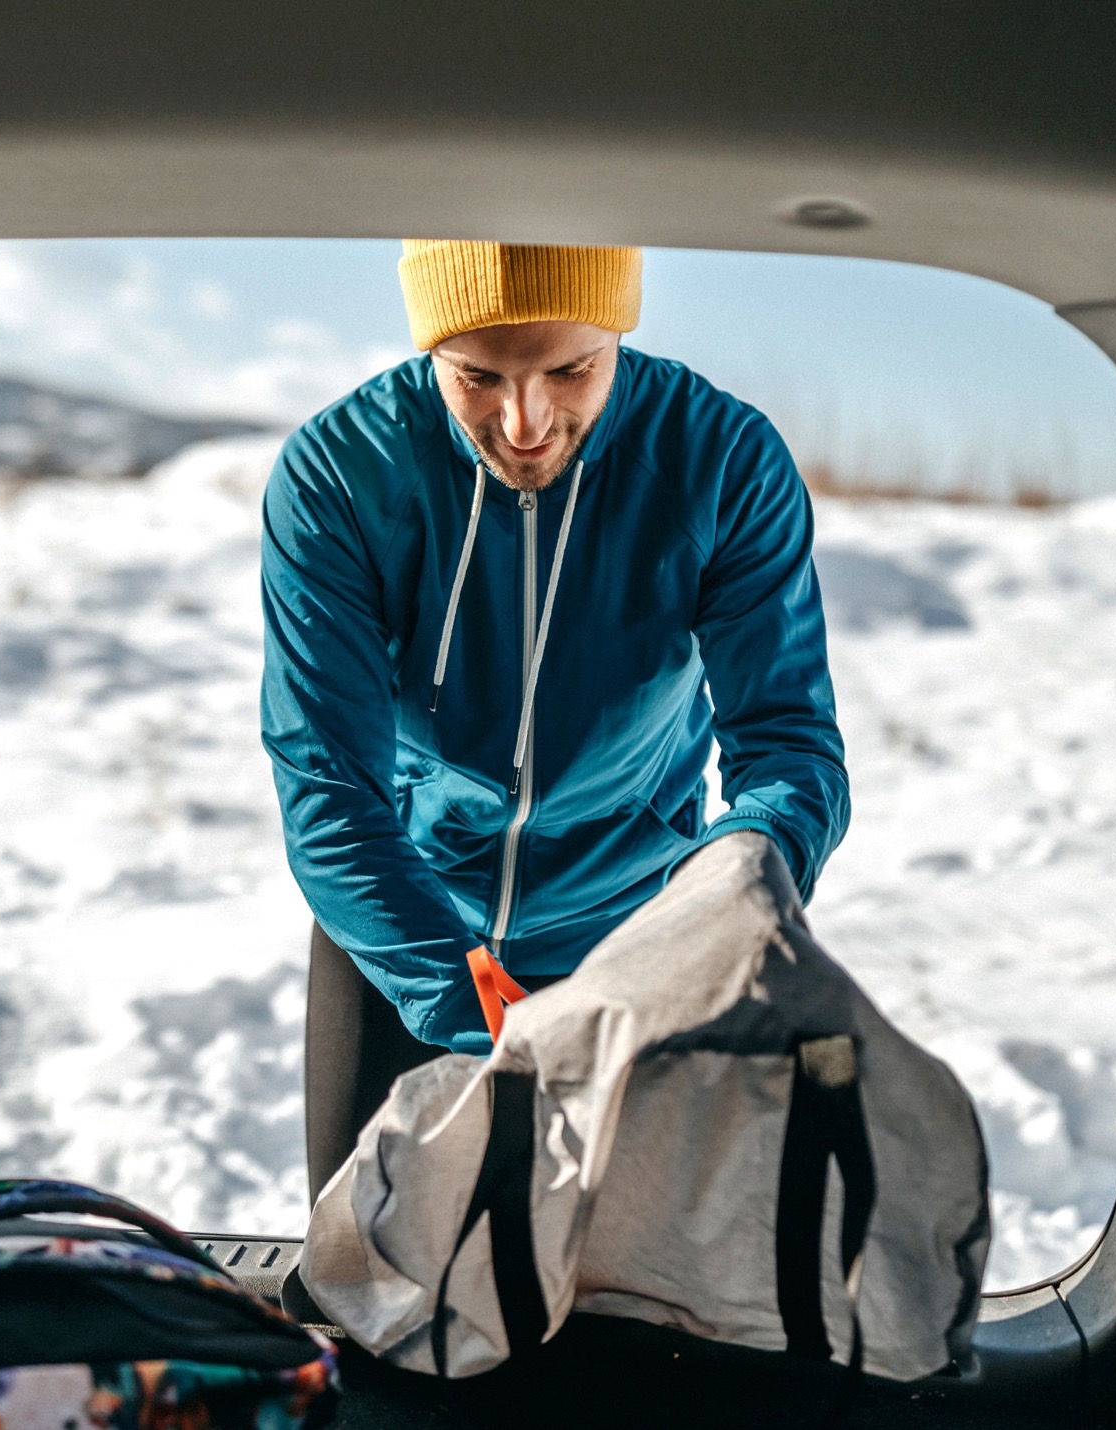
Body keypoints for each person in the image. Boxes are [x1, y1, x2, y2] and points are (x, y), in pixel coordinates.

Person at [261, 241, 849, 1196]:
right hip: (404, 925)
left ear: (618, 328)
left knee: (619, 1309)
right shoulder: (340, 473)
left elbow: (787, 745)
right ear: (430, 351)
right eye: (477, 376)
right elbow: (328, 786)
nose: (525, 422)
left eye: (570, 369)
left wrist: (732, 891)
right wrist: (474, 1006)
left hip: (634, 939)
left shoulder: (723, 459)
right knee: (369, 1282)